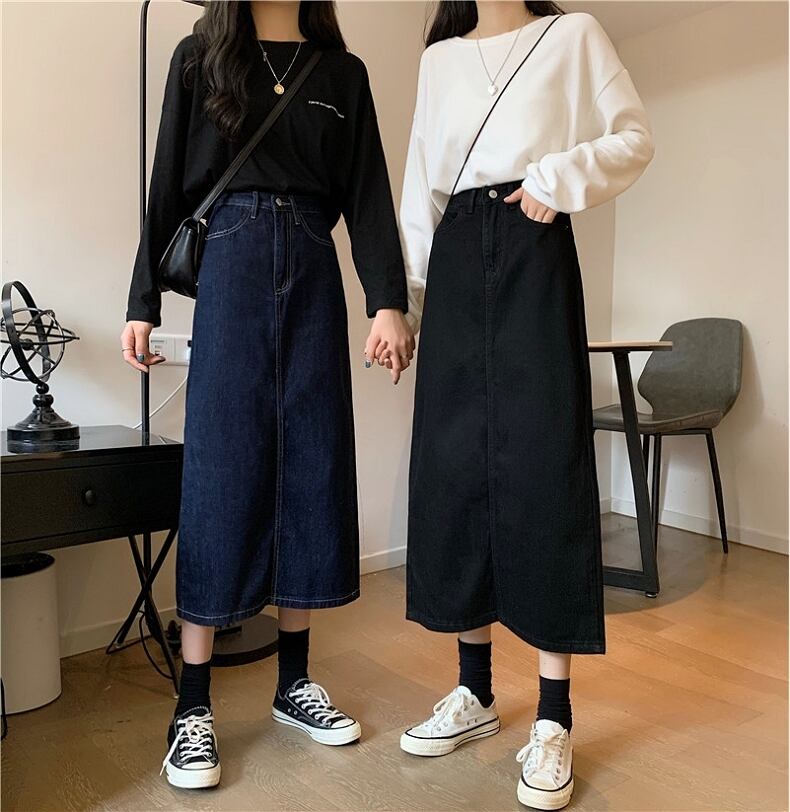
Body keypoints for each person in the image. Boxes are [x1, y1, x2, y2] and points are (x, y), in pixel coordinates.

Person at [121, 0, 413, 790]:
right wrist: (142, 300)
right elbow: (164, 181)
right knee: (221, 472)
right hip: (231, 265)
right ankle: (192, 706)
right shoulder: (200, 56)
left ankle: (294, 682)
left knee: (310, 464)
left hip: (314, 266)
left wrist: (387, 300)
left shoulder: (342, 74)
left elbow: (369, 193)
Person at [398, 2, 654, 809]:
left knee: (545, 465)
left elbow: (633, 137)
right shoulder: (439, 59)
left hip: (533, 244)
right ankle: (474, 691)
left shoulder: (572, 34)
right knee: (455, 469)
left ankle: (553, 716)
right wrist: (405, 303)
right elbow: (419, 186)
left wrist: (555, 179)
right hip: (452, 258)